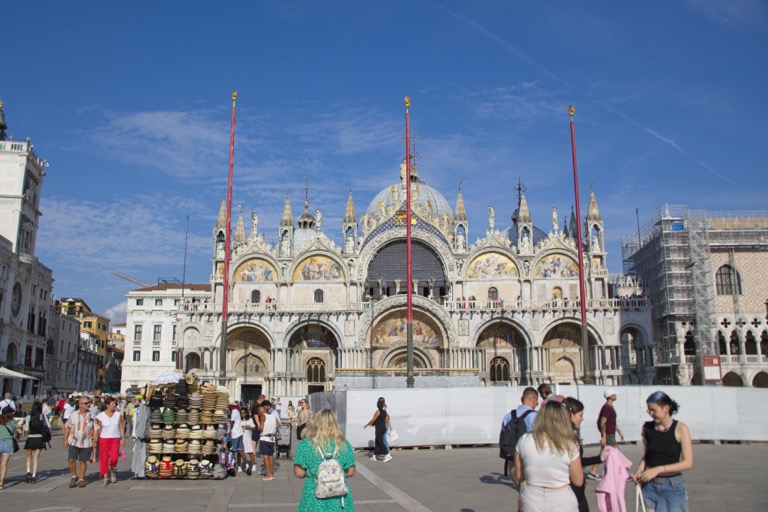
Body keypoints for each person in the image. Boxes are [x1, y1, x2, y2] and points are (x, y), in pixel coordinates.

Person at [514, 400, 583, 512]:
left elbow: (519, 476)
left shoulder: (524, 440)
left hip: (532, 498)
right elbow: (578, 480)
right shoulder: (569, 443)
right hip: (562, 499)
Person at [633, 391, 693, 512]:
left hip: (672, 486)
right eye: (649, 410)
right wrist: (639, 470)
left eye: (653, 410)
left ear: (666, 408)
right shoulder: (647, 428)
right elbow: (647, 455)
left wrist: (659, 469)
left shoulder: (681, 429)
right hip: (649, 485)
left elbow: (687, 463)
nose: (651, 414)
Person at [294, 408, 356, 511]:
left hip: (313, 495)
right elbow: (351, 471)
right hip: (339, 495)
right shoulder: (344, 443)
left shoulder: (306, 444)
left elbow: (299, 473)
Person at [564, 397, 602, 512]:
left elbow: (577, 461)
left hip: (574, 490)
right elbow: (575, 463)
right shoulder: (567, 438)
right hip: (571, 489)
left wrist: (598, 458)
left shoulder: (567, 435)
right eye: (580, 415)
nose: (583, 419)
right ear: (571, 415)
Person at [588, 389, 624, 480]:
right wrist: (604, 436)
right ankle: (622, 473)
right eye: (614, 394)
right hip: (608, 435)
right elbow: (603, 422)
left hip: (610, 433)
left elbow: (612, 422)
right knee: (617, 452)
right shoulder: (607, 408)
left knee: (603, 453)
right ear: (610, 396)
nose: (616, 395)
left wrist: (619, 432)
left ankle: (593, 472)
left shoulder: (610, 407)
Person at [64, 395, 96, 488]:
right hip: (74, 441)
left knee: (83, 461)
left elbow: (96, 428)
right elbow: (67, 427)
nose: (88, 405)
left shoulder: (92, 416)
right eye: (86, 403)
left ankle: (81, 479)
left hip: (86, 441)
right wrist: (65, 439)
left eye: (89, 403)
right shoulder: (74, 414)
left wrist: (95, 441)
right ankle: (74, 476)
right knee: (71, 459)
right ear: (80, 404)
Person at [95, 396, 125, 486]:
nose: (114, 405)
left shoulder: (118, 415)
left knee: (114, 458)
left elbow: (121, 426)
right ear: (107, 405)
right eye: (112, 403)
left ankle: (112, 471)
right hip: (104, 438)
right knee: (104, 458)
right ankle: (105, 478)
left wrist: (122, 438)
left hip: (115, 438)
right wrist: (95, 440)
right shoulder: (100, 416)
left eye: (115, 403)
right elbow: (98, 428)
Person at [24, 401, 50, 483]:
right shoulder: (42, 416)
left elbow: (26, 429)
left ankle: (28, 472)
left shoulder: (28, 417)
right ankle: (33, 476)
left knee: (28, 456)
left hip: (30, 438)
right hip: (39, 438)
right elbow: (49, 426)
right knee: (36, 458)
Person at [0, 406, 22, 490]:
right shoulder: (12, 421)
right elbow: (20, 432)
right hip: (8, 442)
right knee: (4, 464)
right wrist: (18, 436)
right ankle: (1, 483)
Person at [363, 397, 391, 462]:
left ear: (378, 405)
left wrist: (367, 425)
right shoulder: (384, 411)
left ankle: (387, 454)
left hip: (379, 428)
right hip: (383, 427)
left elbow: (373, 419)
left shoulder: (378, 412)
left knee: (380, 441)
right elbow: (387, 417)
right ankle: (374, 456)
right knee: (377, 441)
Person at [258, 400, 279, 481]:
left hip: (264, 438)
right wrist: (271, 429)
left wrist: (260, 427)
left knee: (265, 456)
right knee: (270, 456)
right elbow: (278, 425)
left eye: (259, 410)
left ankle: (268, 474)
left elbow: (261, 428)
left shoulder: (263, 416)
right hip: (272, 438)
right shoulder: (273, 415)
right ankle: (271, 472)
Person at [228, 402, 247, 473]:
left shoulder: (233, 412)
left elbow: (232, 422)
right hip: (240, 433)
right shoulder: (237, 411)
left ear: (231, 406)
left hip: (235, 434)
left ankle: (232, 467)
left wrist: (229, 432)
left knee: (233, 451)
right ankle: (247, 465)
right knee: (240, 451)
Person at [242, 408, 257, 475]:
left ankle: (253, 464)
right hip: (241, 437)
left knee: (250, 451)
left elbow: (254, 428)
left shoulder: (250, 419)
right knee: (242, 452)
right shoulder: (239, 420)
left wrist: (249, 427)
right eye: (241, 413)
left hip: (247, 437)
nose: (242, 414)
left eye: (244, 413)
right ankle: (246, 464)